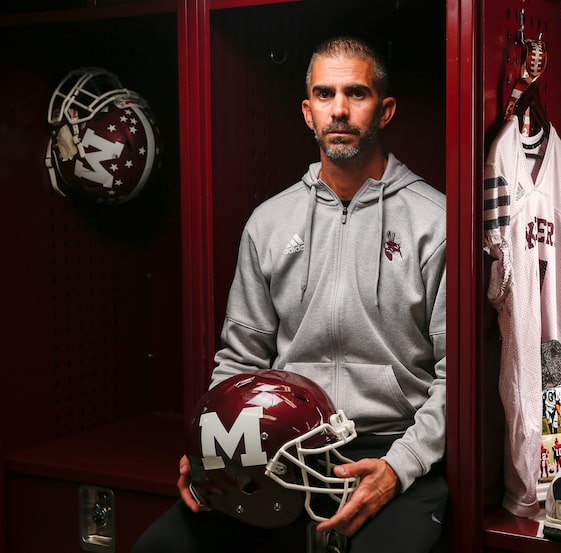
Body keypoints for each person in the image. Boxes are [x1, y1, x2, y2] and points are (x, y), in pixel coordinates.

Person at [132, 36, 447, 553]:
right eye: (324, 95)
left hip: (390, 448)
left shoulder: (436, 223)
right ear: (307, 112)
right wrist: (214, 441)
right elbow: (241, 357)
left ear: (385, 110)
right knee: (159, 549)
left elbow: (454, 378)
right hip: (281, 447)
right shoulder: (269, 223)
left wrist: (400, 466)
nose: (339, 110)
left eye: (357, 94)